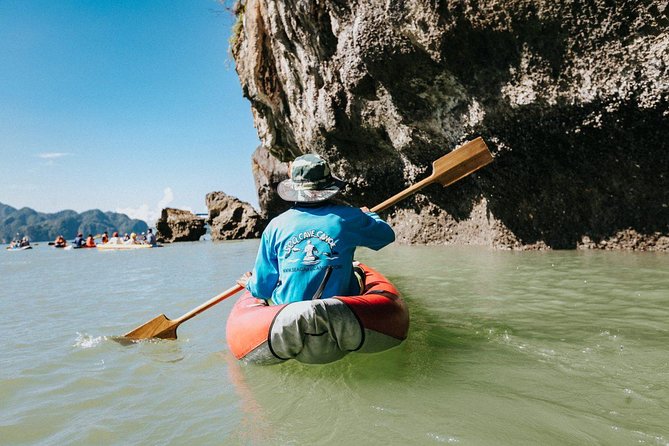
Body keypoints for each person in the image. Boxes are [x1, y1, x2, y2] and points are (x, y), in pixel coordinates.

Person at [238, 153, 395, 305]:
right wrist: (369, 215)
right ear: (328, 186)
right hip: (340, 308)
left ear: (294, 188)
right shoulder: (350, 217)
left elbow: (262, 290)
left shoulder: (275, 226)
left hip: (287, 311)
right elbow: (386, 235)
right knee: (357, 272)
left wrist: (250, 283)